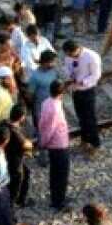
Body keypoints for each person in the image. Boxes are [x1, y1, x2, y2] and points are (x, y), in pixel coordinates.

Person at [62, 40, 103, 155]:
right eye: (68, 55)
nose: (70, 57)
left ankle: (95, 143)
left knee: (90, 118)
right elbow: (66, 67)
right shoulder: (68, 57)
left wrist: (82, 82)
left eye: (71, 54)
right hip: (75, 90)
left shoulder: (92, 56)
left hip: (87, 90)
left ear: (78, 48)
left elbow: (96, 75)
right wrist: (69, 76)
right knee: (80, 117)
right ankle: (85, 139)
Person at [38, 79, 71, 211]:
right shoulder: (55, 107)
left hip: (55, 145)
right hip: (58, 144)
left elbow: (42, 123)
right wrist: (44, 142)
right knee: (61, 174)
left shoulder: (46, 102)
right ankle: (59, 202)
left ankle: (56, 197)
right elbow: (50, 128)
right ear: (62, 92)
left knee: (54, 173)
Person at [2, 106, 33, 208]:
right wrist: (29, 144)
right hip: (14, 161)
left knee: (27, 172)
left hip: (6, 157)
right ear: (21, 117)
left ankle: (21, 200)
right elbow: (27, 145)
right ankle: (11, 208)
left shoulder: (4, 123)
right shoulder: (15, 132)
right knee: (15, 185)